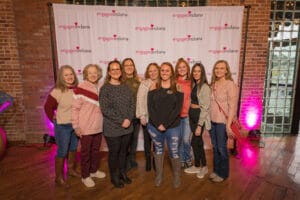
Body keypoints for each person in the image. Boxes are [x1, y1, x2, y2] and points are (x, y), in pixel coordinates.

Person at [147, 62, 183, 188]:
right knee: (158, 150)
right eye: (162, 70)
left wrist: (165, 125)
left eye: (167, 70)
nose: (164, 73)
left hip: (173, 126)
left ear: (171, 72)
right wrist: (158, 124)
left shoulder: (177, 87)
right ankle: (159, 176)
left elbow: (177, 109)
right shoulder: (153, 86)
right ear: (160, 71)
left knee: (173, 151)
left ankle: (177, 176)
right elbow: (150, 108)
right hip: (154, 126)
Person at [99, 60, 134, 188]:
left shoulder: (125, 87)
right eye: (112, 69)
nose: (115, 71)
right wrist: (121, 121)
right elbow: (105, 109)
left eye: (117, 69)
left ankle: (123, 173)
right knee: (114, 152)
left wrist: (129, 119)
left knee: (124, 152)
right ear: (109, 72)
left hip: (127, 127)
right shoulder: (105, 88)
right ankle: (114, 177)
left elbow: (131, 104)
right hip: (112, 128)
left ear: (121, 71)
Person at [44, 65, 79, 187]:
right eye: (66, 75)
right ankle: (58, 178)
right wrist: (53, 119)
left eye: (71, 74)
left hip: (75, 125)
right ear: (61, 77)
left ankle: (71, 170)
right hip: (63, 126)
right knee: (62, 151)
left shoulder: (77, 90)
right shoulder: (57, 91)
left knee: (73, 148)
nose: (69, 77)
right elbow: (47, 107)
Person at [72, 64, 106, 188]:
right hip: (85, 127)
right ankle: (85, 176)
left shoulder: (101, 86)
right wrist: (76, 126)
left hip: (98, 126)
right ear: (86, 74)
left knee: (96, 151)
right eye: (90, 72)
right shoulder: (81, 88)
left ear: (98, 74)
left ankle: (93, 171)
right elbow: (75, 108)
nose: (93, 75)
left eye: (95, 72)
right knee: (85, 153)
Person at [209, 60, 238, 183]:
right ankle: (216, 171)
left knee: (221, 148)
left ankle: (223, 173)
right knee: (215, 148)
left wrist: (228, 125)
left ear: (226, 70)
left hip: (222, 122)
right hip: (212, 121)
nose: (219, 70)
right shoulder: (213, 84)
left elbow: (232, 107)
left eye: (222, 68)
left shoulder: (230, 84)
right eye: (217, 68)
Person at [184, 63, 211, 179]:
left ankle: (204, 166)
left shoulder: (204, 87)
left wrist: (200, 125)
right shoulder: (195, 84)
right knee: (196, 142)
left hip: (200, 117)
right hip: (192, 116)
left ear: (202, 73)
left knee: (196, 142)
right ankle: (197, 165)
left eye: (198, 71)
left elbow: (205, 107)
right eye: (194, 71)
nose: (196, 73)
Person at [136, 62, 160, 171]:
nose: (153, 72)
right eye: (150, 71)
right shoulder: (144, 83)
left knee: (156, 141)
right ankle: (148, 161)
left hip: (158, 118)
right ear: (147, 72)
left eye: (155, 70)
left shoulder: (162, 83)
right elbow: (139, 100)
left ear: (158, 71)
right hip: (146, 117)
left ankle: (156, 161)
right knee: (147, 141)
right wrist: (141, 116)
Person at [121, 58, 141, 171]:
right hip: (125, 118)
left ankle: (131, 159)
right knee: (125, 141)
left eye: (131, 65)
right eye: (126, 65)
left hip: (136, 117)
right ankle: (124, 161)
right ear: (123, 68)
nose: (129, 67)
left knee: (134, 139)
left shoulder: (138, 81)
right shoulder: (120, 82)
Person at [175, 58, 192, 169]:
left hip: (188, 116)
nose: (181, 69)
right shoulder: (174, 82)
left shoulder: (192, 82)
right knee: (180, 139)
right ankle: (181, 159)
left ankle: (188, 157)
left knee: (186, 139)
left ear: (187, 68)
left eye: (183, 67)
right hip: (176, 116)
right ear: (177, 69)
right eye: (179, 67)